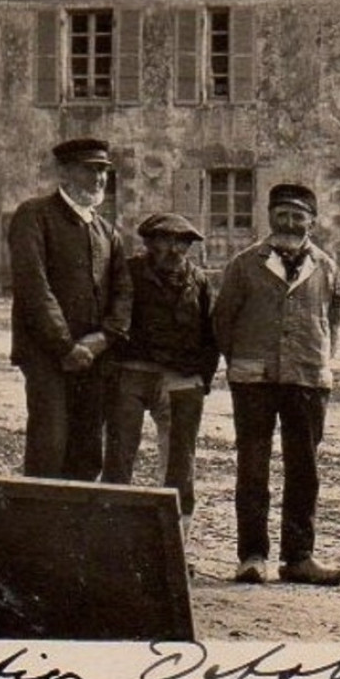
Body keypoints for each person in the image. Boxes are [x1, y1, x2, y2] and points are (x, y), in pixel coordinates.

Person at [213, 183, 340, 587]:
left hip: (307, 379)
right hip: (254, 380)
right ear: (269, 217)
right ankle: (252, 556)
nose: (289, 223)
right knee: (253, 468)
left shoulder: (325, 267)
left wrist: (318, 359)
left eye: (298, 215)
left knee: (303, 470)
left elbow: (335, 320)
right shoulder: (244, 265)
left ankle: (298, 557)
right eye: (282, 214)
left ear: (312, 220)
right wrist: (242, 360)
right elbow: (223, 321)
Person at [8, 137, 132, 481]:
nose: (99, 179)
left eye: (104, 171)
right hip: (48, 357)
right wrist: (65, 346)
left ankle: (77, 532)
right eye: (89, 170)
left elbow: (124, 293)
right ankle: (42, 531)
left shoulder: (108, 231)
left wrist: (102, 340)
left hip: (94, 360)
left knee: (87, 451)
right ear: (64, 172)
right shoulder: (34, 216)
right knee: (49, 448)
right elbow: (34, 287)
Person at [104, 212, 220, 537]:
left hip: (182, 380)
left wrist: (201, 380)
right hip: (133, 373)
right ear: (149, 243)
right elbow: (112, 320)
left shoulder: (198, 281)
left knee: (180, 460)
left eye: (182, 243)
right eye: (166, 241)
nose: (174, 250)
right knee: (119, 452)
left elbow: (211, 335)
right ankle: (112, 534)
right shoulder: (129, 273)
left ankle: (175, 541)